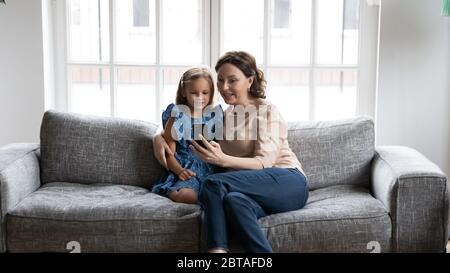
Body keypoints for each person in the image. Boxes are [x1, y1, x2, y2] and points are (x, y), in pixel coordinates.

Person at [152, 51, 309, 253]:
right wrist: (157, 137)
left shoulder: (267, 111)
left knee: (213, 183)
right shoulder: (222, 116)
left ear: (250, 80)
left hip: (287, 182)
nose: (224, 87)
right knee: (233, 202)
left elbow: (265, 162)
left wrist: (223, 159)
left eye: (232, 80)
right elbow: (187, 127)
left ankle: (216, 251)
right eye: (220, 80)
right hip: (249, 193)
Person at [151, 67, 222, 204]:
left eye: (205, 92)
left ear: (212, 92)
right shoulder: (177, 115)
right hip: (186, 168)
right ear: (184, 92)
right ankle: (175, 191)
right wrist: (179, 171)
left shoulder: (216, 114)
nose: (200, 98)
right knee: (187, 196)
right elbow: (169, 153)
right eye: (194, 93)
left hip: (212, 168)